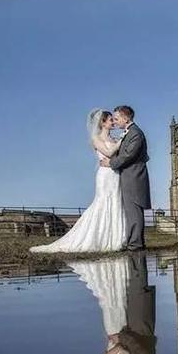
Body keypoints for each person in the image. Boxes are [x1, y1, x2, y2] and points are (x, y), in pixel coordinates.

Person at [30, 109, 126, 254]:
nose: (113, 122)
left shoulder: (114, 139)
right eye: (110, 119)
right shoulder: (96, 139)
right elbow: (109, 153)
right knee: (103, 203)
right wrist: (121, 141)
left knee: (116, 202)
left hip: (115, 174)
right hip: (105, 175)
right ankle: (96, 239)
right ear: (102, 122)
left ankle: (115, 239)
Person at [101, 106, 151, 251]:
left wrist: (110, 163)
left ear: (125, 118)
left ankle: (135, 244)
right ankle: (134, 241)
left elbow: (128, 155)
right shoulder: (129, 133)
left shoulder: (135, 133)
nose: (115, 122)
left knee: (133, 209)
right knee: (131, 210)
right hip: (130, 176)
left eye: (116, 119)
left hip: (133, 176)